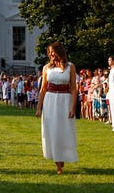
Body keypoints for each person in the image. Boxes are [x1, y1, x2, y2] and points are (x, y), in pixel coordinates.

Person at [35, 41, 78, 175]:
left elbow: (73, 88)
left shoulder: (70, 66)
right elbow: (42, 89)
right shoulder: (46, 68)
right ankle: (58, 163)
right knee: (52, 130)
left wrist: (72, 108)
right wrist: (38, 108)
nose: (51, 54)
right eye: (49, 52)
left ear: (59, 51)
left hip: (65, 100)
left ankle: (62, 155)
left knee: (64, 130)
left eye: (53, 51)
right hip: (50, 100)